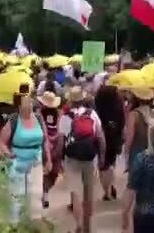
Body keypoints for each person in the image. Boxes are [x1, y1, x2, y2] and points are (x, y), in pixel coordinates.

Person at [0, 89, 51, 227]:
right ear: (19, 107)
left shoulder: (39, 118)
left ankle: (35, 221)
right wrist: (8, 154)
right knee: (17, 194)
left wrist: (48, 159)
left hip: (36, 161)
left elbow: (45, 140)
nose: (28, 109)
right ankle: (14, 224)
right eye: (25, 106)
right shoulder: (14, 120)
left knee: (36, 193)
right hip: (18, 163)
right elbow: (2, 142)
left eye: (30, 106)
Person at [59, 86, 106, 233]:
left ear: (71, 101)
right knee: (88, 194)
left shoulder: (66, 117)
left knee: (76, 194)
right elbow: (100, 137)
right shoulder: (92, 115)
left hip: (72, 159)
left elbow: (61, 141)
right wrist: (102, 156)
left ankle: (78, 226)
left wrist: (60, 158)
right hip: (89, 159)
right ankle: (88, 227)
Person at [95, 84, 125, 201]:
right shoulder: (119, 106)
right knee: (112, 163)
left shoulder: (98, 106)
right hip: (115, 138)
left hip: (102, 138)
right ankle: (111, 184)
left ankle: (107, 191)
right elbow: (122, 123)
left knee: (103, 166)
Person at [38, 91, 63, 209]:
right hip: (56, 145)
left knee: (47, 171)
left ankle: (44, 192)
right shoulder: (59, 113)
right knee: (53, 172)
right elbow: (61, 130)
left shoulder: (39, 114)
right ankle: (45, 194)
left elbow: (42, 130)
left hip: (45, 144)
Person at [123, 87, 154, 170]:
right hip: (153, 153)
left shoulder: (134, 115)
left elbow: (129, 138)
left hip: (137, 153)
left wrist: (126, 153)